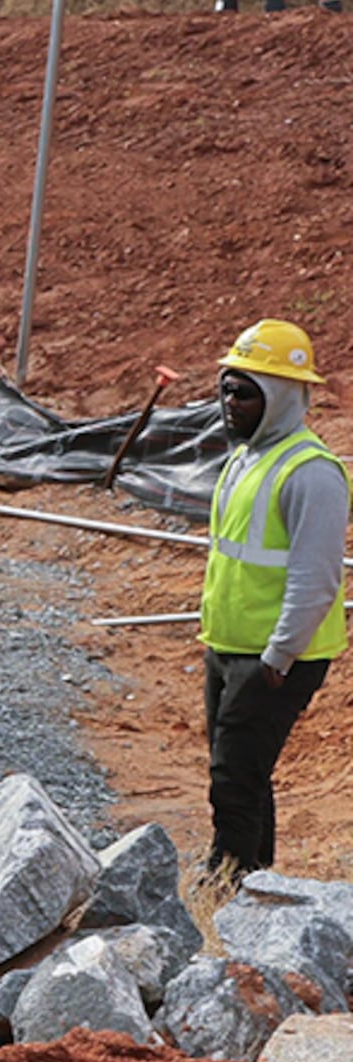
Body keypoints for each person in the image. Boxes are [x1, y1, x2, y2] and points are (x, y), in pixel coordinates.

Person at [201, 318, 346, 885]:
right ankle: (255, 881)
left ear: (281, 396)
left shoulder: (312, 474)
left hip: (276, 657)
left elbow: (317, 578)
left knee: (234, 776)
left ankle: (227, 882)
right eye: (227, 389)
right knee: (243, 770)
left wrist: (279, 655)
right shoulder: (245, 458)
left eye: (244, 392)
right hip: (230, 645)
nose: (230, 403)